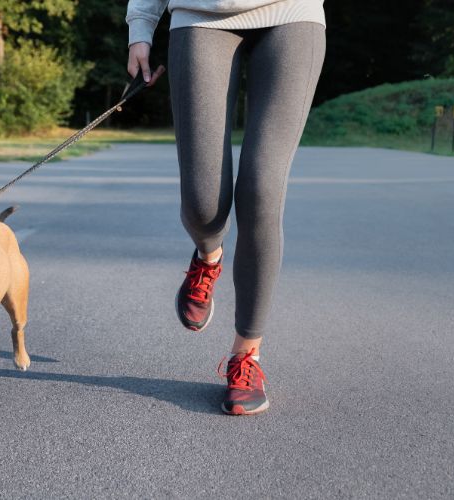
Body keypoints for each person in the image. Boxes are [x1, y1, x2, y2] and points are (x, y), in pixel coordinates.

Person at [126, 0, 326, 415]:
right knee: (204, 204)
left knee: (261, 190)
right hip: (200, 16)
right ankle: (208, 255)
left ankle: (245, 357)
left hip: (294, 15)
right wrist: (141, 27)